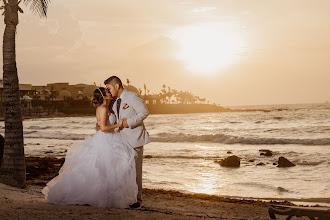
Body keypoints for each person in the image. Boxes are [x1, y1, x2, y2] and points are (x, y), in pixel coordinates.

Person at [42, 87, 138, 208]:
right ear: (104, 96)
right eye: (107, 92)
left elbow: (98, 126)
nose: (110, 93)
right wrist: (118, 124)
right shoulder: (103, 109)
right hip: (106, 140)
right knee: (104, 168)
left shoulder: (102, 108)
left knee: (106, 169)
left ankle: (106, 195)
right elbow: (103, 128)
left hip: (105, 139)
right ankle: (101, 196)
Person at [103, 76, 150, 209]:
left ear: (117, 86)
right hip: (122, 140)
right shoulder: (117, 101)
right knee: (124, 171)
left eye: (109, 88)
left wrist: (129, 123)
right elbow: (118, 119)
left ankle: (137, 200)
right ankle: (127, 197)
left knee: (135, 171)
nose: (109, 91)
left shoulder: (132, 97)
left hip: (134, 139)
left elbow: (144, 112)